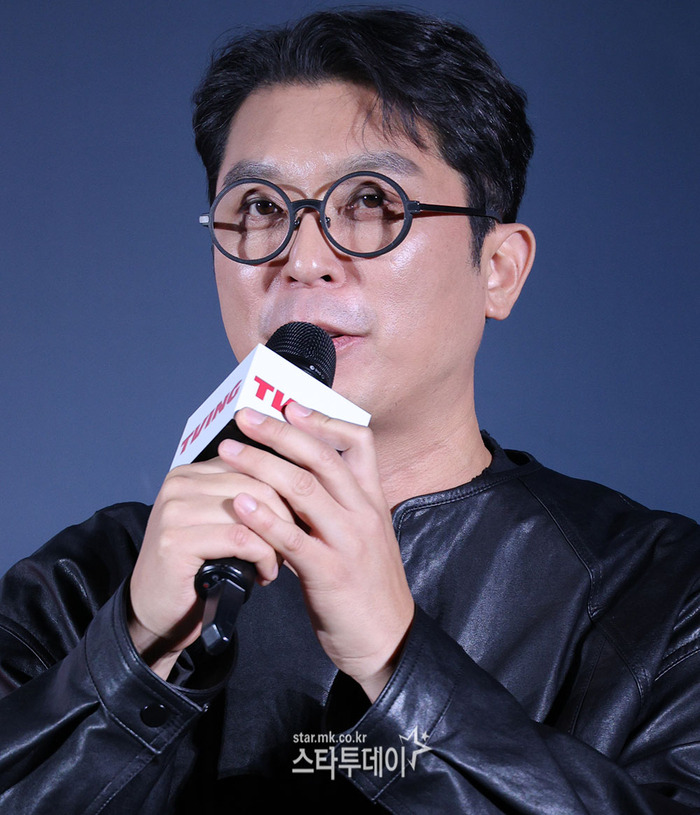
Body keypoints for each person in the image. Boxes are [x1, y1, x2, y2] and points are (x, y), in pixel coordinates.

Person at [1, 7, 699, 813]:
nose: (303, 259)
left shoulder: (660, 595)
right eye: (260, 207)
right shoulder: (87, 580)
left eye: (371, 200)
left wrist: (400, 664)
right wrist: (129, 654)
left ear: (500, 269)